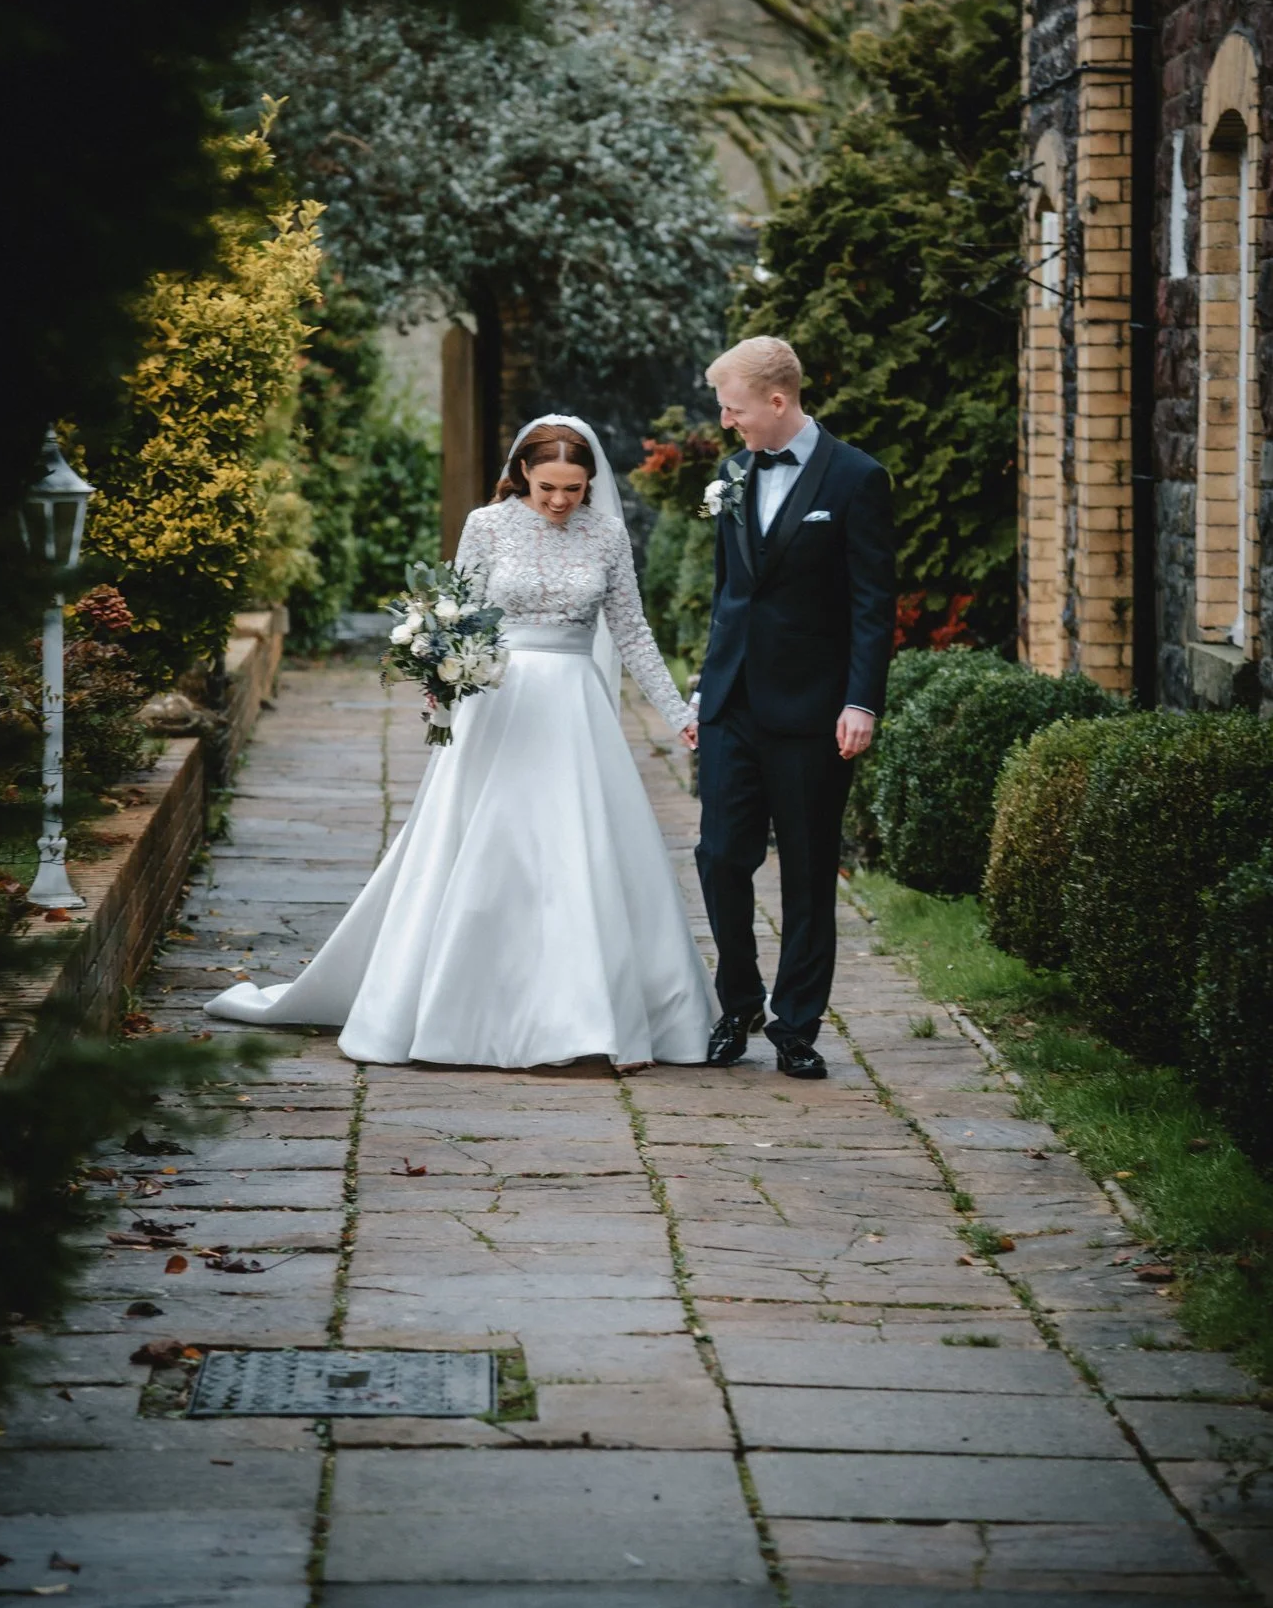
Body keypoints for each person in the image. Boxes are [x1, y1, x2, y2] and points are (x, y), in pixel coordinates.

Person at [205, 415, 716, 1068]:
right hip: (496, 706)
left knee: (575, 853)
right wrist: (439, 675)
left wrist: (676, 711)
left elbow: (632, 631)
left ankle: (588, 1017)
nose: (561, 501)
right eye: (548, 487)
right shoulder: (488, 524)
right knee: (486, 848)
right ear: (522, 475)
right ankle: (457, 1012)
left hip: (574, 711)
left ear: (591, 484)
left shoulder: (608, 533)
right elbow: (457, 611)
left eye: (575, 489)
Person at [696, 337, 896, 1079]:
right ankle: (738, 1002)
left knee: (808, 870)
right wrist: (702, 688)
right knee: (719, 856)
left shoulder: (856, 479)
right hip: (731, 704)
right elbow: (730, 593)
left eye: (733, 408)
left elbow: (874, 605)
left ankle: (796, 1025)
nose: (726, 422)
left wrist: (860, 701)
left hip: (814, 711)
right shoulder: (732, 473)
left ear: (776, 402)